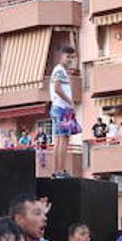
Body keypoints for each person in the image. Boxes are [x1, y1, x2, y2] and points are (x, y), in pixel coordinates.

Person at [49, 44, 78, 177]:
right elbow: (57, 88)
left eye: (72, 57)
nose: (70, 60)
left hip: (60, 108)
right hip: (61, 108)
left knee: (62, 139)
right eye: (68, 57)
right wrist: (70, 101)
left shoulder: (60, 71)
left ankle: (59, 170)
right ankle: (59, 170)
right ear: (62, 56)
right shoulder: (60, 70)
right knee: (62, 139)